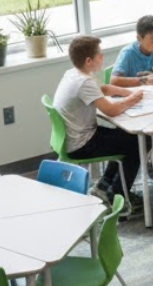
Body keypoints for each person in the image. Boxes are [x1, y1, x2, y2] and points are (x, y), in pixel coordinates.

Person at [53, 35, 145, 210]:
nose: (102, 57)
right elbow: (111, 110)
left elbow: (104, 88)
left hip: (76, 137)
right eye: (100, 55)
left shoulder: (74, 73)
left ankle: (104, 185)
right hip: (82, 144)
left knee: (126, 136)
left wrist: (130, 92)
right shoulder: (84, 82)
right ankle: (117, 195)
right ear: (89, 61)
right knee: (137, 143)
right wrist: (133, 99)